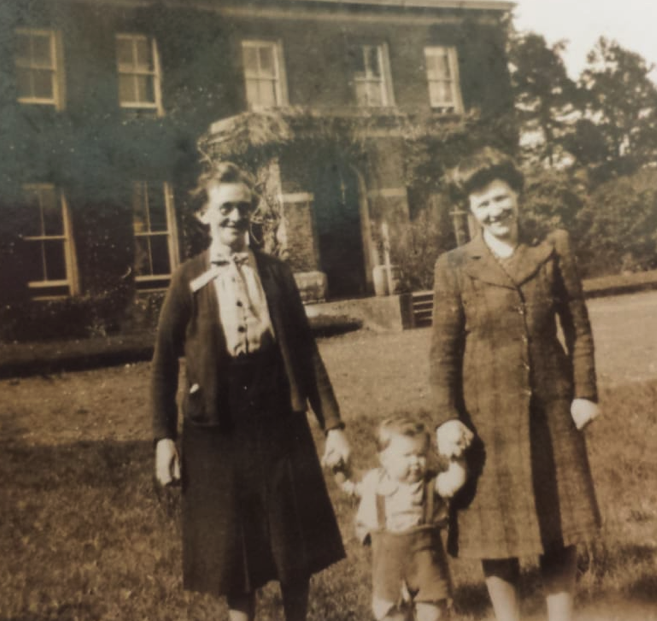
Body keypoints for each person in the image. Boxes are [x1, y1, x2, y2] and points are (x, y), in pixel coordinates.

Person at [150, 161, 352, 621]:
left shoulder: (277, 274)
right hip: (217, 426)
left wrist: (334, 426)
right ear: (203, 215)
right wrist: (163, 437)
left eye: (243, 207)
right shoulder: (186, 279)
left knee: (292, 541)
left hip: (279, 414)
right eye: (225, 208)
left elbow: (305, 354)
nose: (236, 217)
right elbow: (164, 364)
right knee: (236, 552)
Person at [429, 147, 603, 621]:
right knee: (496, 527)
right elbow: (443, 353)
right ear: (472, 211)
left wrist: (584, 392)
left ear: (518, 195)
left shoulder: (552, 248)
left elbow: (579, 328)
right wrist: (447, 417)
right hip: (486, 415)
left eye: (502, 198)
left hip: (553, 407)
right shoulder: (455, 265)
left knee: (559, 520)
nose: (496, 210)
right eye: (484, 204)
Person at [334, 416, 465, 621]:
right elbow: (350, 484)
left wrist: (458, 459)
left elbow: (455, 481)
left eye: (421, 454)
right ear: (384, 459)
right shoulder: (374, 482)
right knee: (391, 612)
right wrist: (340, 468)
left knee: (435, 614)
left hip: (427, 567)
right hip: (389, 569)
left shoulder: (431, 484)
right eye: (407, 455)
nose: (415, 462)